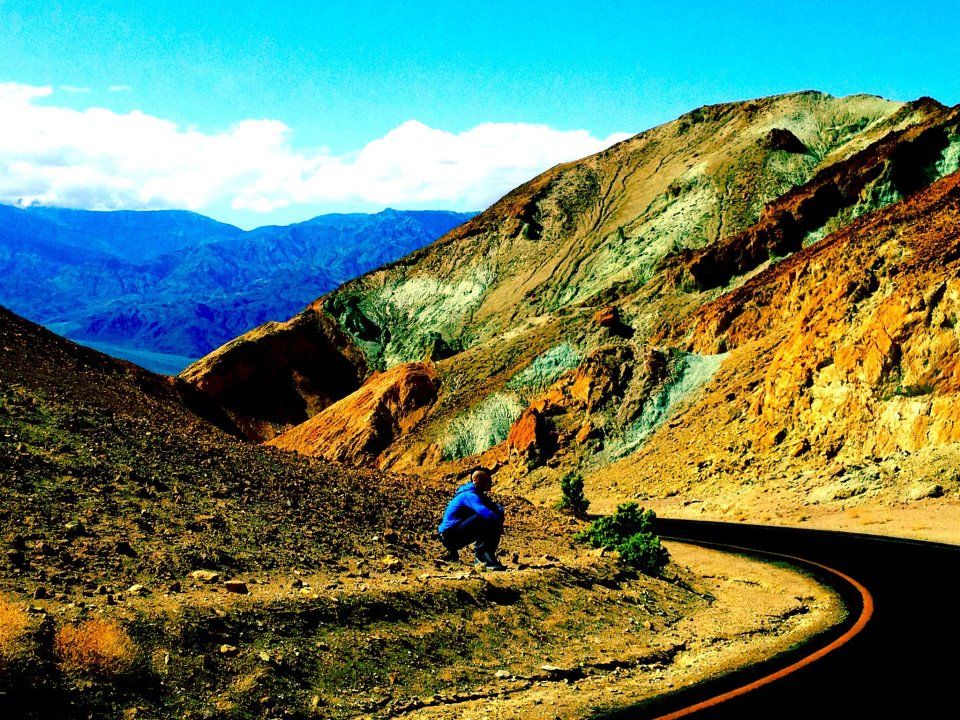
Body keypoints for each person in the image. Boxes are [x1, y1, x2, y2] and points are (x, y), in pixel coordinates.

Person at [438, 469, 506, 570]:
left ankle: (487, 556)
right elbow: (485, 512)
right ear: (476, 480)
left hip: (454, 534)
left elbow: (497, 509)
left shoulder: (478, 494)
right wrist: (497, 524)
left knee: (491, 518)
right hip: (450, 536)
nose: (491, 482)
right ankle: (482, 557)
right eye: (487, 480)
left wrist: (498, 518)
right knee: (485, 518)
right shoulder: (469, 495)